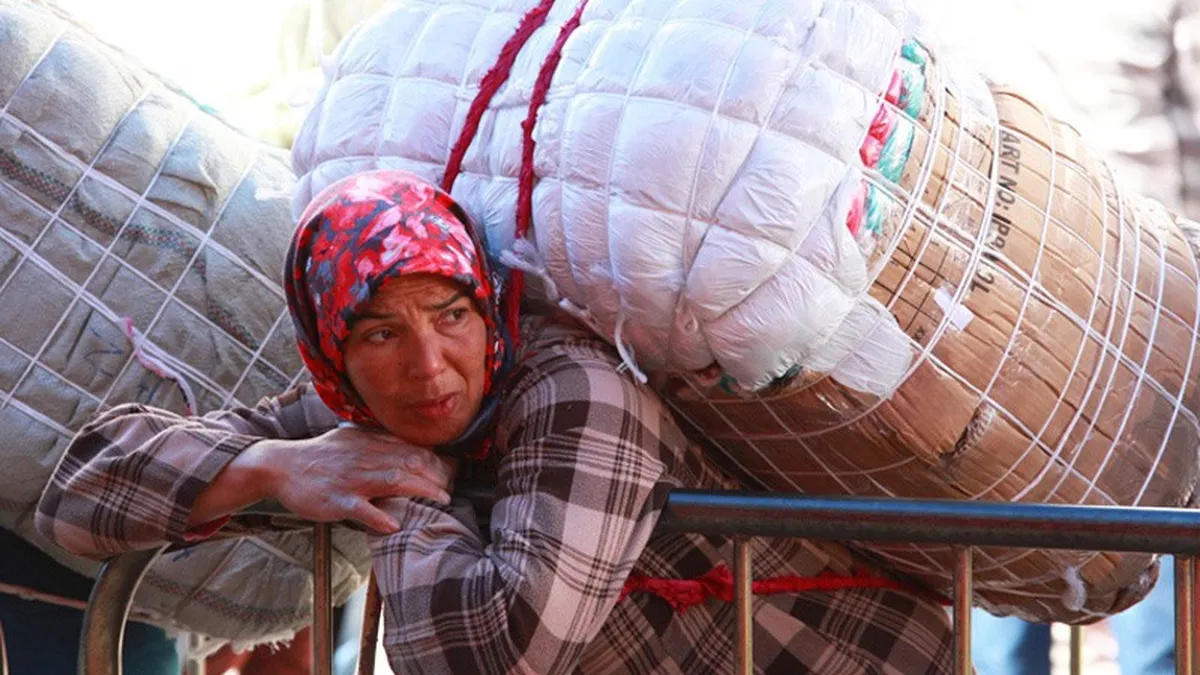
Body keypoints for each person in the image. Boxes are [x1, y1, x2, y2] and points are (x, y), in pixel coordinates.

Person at [39, 170, 955, 674]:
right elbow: (76, 498)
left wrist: (399, 491)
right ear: (332, 353)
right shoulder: (355, 410)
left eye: (451, 315)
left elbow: (496, 655)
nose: (429, 367)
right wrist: (271, 467)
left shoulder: (576, 391)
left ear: (490, 307)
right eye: (381, 332)